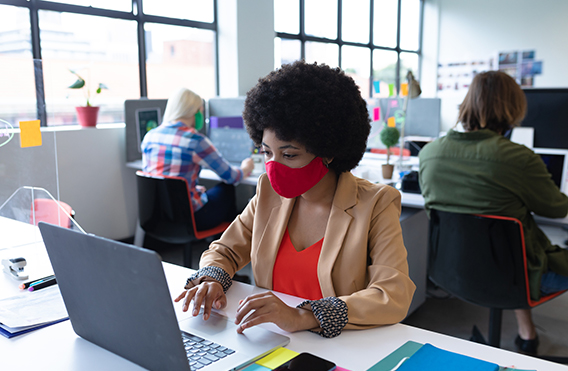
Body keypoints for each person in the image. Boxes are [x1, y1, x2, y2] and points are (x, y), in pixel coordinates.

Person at [175, 61, 416, 338]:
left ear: (328, 151)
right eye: (266, 153)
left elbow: (392, 294)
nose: (274, 166)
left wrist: (304, 315)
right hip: (268, 339)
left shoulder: (376, 204)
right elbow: (226, 250)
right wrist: (211, 278)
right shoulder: (268, 192)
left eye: (289, 155)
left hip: (337, 347)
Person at [419, 70, 568, 355]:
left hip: (454, 272)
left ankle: (528, 335)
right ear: (513, 107)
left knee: (508, 246)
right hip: (514, 274)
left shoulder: (430, 154)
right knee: (516, 253)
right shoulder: (518, 158)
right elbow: (558, 207)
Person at [141, 87, 255, 231]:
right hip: (190, 219)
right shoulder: (195, 141)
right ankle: (226, 244)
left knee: (204, 190)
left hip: (158, 216)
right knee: (227, 188)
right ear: (194, 112)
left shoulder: (150, 136)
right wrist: (246, 168)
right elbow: (231, 177)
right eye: (200, 111)